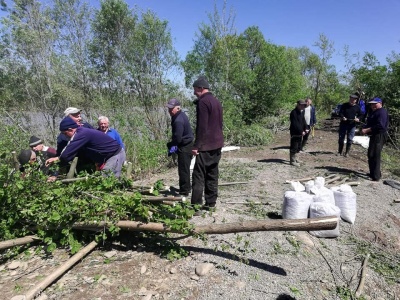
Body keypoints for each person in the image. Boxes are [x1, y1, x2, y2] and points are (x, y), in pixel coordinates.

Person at [46, 116, 126, 178]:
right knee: (108, 178)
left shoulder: (81, 134)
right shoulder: (82, 131)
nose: (65, 136)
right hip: (109, 156)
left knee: (107, 178)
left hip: (115, 155)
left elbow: (68, 152)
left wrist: (57, 160)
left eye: (65, 133)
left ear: (70, 129)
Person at [191, 76, 224, 213]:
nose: (194, 93)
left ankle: (196, 207)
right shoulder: (216, 101)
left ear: (201, 88)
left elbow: (202, 126)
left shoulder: (203, 102)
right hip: (217, 144)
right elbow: (220, 123)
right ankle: (211, 203)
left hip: (206, 146)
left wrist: (196, 145)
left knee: (198, 175)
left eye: (195, 90)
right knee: (212, 173)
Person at [166, 98, 194, 196]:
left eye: (171, 108)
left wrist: (172, 146)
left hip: (185, 146)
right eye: (169, 108)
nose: (169, 110)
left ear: (177, 108)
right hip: (187, 143)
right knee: (185, 168)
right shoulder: (180, 114)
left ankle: (184, 191)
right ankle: (187, 188)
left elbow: (178, 138)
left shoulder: (178, 120)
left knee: (183, 169)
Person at [56, 107, 95, 173]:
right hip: (75, 167)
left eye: (80, 116)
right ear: (68, 118)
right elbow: (61, 154)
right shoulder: (63, 136)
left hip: (92, 163)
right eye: (76, 117)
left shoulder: (87, 127)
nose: (80, 118)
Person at [361, 98, 389, 181]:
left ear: (380, 103)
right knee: (371, 154)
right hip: (374, 135)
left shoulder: (382, 112)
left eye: (375, 104)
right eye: (371, 104)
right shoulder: (374, 112)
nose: (372, 105)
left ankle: (376, 176)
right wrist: (364, 128)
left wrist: (367, 130)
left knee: (375, 155)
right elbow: (371, 123)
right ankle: (372, 173)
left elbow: (381, 126)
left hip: (379, 135)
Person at [289, 100, 308, 166]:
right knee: (294, 146)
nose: (303, 106)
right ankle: (292, 161)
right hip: (295, 132)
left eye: (304, 105)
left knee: (298, 146)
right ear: (298, 105)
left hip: (300, 132)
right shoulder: (293, 112)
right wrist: (301, 131)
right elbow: (295, 124)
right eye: (302, 105)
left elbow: (303, 121)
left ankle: (296, 159)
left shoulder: (301, 112)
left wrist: (306, 128)